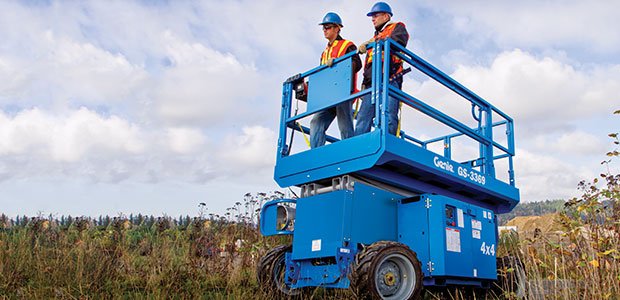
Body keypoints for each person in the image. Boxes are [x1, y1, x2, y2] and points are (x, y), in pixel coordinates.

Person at [354, 2, 409, 136]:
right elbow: (369, 64)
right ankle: (358, 149)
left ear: (386, 16)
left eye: (375, 15)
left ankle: (388, 142)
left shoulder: (397, 27)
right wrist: (364, 84)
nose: (373, 19)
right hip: (371, 83)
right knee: (363, 117)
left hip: (390, 79)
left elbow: (398, 42)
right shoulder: (375, 37)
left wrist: (376, 42)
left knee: (388, 115)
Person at [309, 12, 362, 148]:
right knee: (316, 122)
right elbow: (321, 74)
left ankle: (350, 152)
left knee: (345, 126)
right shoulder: (324, 53)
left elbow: (357, 63)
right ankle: (316, 154)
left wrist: (339, 64)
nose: (325, 30)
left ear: (337, 28)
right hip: (328, 96)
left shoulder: (347, 45)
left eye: (328, 27)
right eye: (323, 28)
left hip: (343, 93)